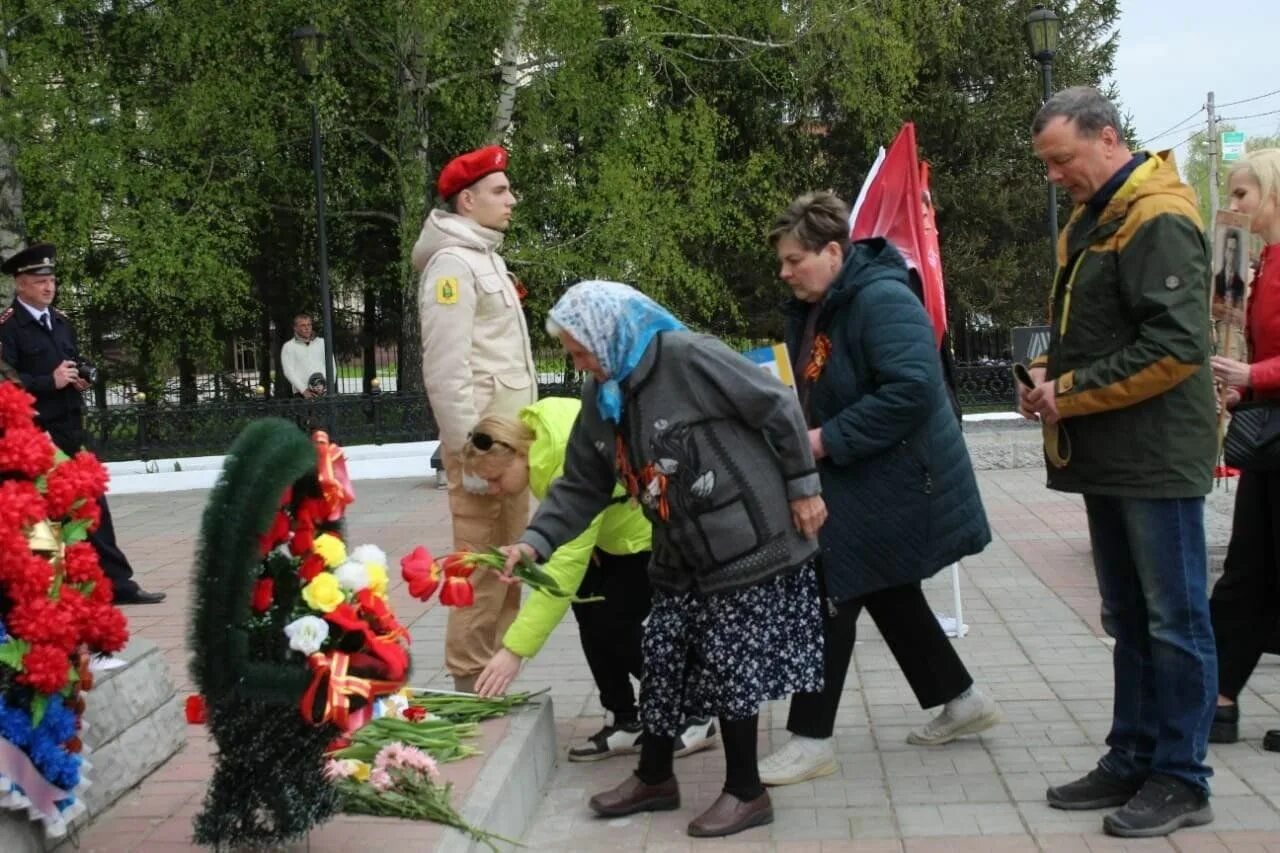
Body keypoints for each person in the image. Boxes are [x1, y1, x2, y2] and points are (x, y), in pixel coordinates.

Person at [501, 281, 827, 838]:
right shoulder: (603, 393)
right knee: (663, 654)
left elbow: (775, 404)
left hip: (743, 535)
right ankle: (655, 778)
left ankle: (747, 793)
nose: (578, 362)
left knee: (730, 662)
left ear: (611, 334)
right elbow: (582, 482)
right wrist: (536, 542)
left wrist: (803, 485)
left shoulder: (686, 356)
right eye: (573, 352)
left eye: (581, 349)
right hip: (680, 549)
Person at [1021, 86, 1218, 838]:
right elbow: (1092, 326)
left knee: (1174, 619)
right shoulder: (1096, 216)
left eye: (1062, 159)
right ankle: (1132, 754)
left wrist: (1066, 391)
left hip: (1157, 456)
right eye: (1047, 163)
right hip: (1112, 451)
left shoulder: (1158, 216)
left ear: (1108, 139)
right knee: (1131, 616)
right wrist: (1049, 371)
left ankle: (1182, 776)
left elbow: (1174, 350)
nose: (1054, 175)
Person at [756, 191, 999, 788]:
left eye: (794, 260)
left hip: (896, 479)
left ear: (833, 252)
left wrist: (822, 440)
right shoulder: (824, 304)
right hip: (868, 475)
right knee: (888, 590)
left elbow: (912, 391)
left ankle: (811, 739)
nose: (784, 273)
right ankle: (961, 700)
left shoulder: (882, 300)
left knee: (831, 592)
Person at [462, 398, 718, 760]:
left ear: (518, 455)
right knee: (589, 610)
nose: (495, 490)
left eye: (496, 479)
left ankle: (696, 710)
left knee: (616, 623)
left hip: (649, 534)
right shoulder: (539, 434)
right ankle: (625, 719)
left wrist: (513, 650)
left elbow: (565, 565)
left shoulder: (560, 457)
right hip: (612, 537)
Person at [412, 145, 538, 693]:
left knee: (508, 570)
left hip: (510, 450)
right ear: (468, 200)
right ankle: (470, 680)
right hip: (487, 453)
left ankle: (495, 679)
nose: (511, 200)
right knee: (480, 571)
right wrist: (473, 455)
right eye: (499, 191)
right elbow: (446, 372)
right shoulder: (452, 267)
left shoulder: (485, 257)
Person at [0, 243, 165, 605]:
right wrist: (49, 381)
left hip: (72, 430)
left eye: (52, 279)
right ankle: (48, 593)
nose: (48, 286)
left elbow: (70, 362)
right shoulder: (8, 329)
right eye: (39, 280)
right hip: (36, 438)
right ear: (20, 283)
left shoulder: (61, 322)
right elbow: (5, 385)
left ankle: (118, 584)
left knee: (94, 507)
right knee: (43, 518)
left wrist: (80, 376)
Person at [1206, 148, 1280, 747]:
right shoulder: (1261, 262)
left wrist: (1251, 378)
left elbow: (1262, 365)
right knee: (1246, 570)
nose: (1232, 206)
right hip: (1268, 439)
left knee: (1255, 570)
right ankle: (1220, 697)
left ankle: (1222, 696)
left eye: (1241, 195)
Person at [280, 313, 335, 398]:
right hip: (302, 394)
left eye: (309, 324)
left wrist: (329, 387)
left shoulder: (322, 343)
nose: (307, 328)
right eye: (303, 325)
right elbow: (289, 371)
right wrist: (304, 390)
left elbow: (332, 366)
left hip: (324, 391)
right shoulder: (289, 346)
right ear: (295, 328)